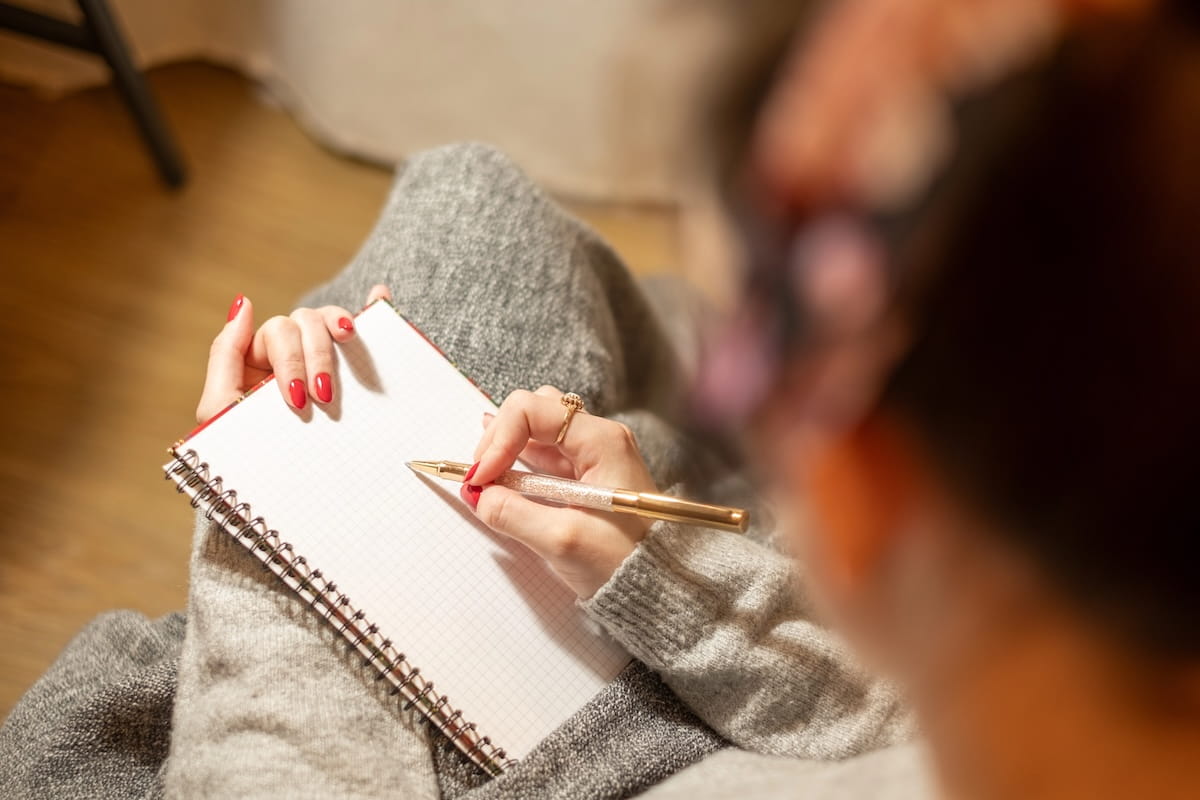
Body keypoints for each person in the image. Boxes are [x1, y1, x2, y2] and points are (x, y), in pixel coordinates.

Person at [4, 1, 1198, 799]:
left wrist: (271, 532)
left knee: (101, 708)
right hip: (694, 654)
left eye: (748, 367)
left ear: (858, 487)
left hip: (546, 743)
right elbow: (885, 711)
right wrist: (660, 571)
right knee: (472, 196)